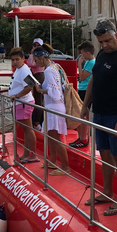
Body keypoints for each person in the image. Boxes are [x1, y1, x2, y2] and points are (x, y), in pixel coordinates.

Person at [81, 19, 117, 216]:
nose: (105, 45)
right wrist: (85, 105)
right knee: (104, 153)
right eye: (101, 42)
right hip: (100, 113)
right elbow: (94, 80)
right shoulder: (102, 55)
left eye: (107, 40)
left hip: (116, 115)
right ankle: (106, 191)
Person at [32, 44, 71, 176]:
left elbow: (55, 93)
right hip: (56, 107)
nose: (35, 63)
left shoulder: (48, 71)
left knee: (56, 138)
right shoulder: (56, 66)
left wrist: (40, 90)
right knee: (51, 136)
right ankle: (52, 160)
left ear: (42, 58)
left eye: (36, 60)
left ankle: (65, 167)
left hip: (54, 107)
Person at [8, 47, 38, 163]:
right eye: (13, 60)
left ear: (23, 59)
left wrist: (17, 96)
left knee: (28, 130)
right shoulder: (20, 70)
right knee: (26, 130)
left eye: (17, 59)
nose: (15, 62)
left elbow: (30, 85)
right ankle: (27, 154)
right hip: (21, 103)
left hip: (24, 103)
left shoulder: (24, 70)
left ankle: (32, 155)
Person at [69, 41, 95, 148]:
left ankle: (84, 138)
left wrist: (79, 63)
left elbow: (83, 77)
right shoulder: (89, 62)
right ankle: (81, 137)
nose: (81, 56)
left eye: (82, 53)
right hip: (83, 89)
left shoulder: (92, 63)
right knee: (81, 114)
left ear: (87, 53)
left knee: (84, 115)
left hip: (85, 90)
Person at [27, 38, 45, 131]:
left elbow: (31, 63)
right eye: (34, 45)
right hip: (34, 75)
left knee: (38, 100)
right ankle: (36, 121)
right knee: (34, 98)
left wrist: (32, 53)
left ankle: (37, 123)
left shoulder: (40, 55)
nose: (36, 47)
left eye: (38, 46)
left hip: (38, 76)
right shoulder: (37, 55)